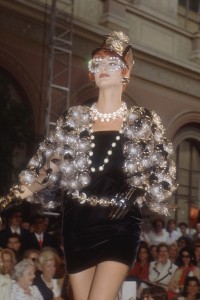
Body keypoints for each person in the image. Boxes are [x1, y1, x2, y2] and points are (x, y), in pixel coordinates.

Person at [0, 31, 177, 300]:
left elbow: (162, 174)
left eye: (112, 64)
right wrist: (7, 199)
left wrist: (136, 191)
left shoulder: (141, 122)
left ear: (126, 71)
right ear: (92, 73)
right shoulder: (74, 120)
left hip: (119, 227)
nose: (104, 69)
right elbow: (43, 172)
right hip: (76, 226)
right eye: (98, 64)